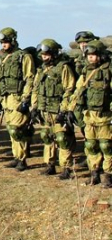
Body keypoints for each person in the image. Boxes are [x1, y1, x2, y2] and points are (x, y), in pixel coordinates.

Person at [31, 39, 76, 179]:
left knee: (62, 138)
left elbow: (69, 89)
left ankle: (66, 168)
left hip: (58, 110)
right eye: (42, 54)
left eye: (47, 54)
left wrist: (64, 110)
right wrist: (34, 107)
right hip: (44, 109)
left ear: (54, 53)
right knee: (46, 136)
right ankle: (49, 165)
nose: (44, 57)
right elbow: (36, 89)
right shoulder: (41, 70)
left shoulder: (63, 68)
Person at [0, 27, 36, 171]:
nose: (3, 45)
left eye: (5, 42)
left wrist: (25, 99)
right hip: (6, 99)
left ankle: (22, 159)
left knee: (17, 130)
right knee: (11, 130)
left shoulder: (23, 56)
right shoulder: (3, 59)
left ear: (12, 40)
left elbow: (30, 78)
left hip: (17, 98)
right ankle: (17, 156)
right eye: (1, 42)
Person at [70, 40, 112, 188]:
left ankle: (108, 175)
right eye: (89, 55)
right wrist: (70, 109)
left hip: (106, 115)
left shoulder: (109, 70)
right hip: (89, 114)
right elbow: (79, 90)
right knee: (91, 145)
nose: (90, 58)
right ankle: (94, 173)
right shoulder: (86, 71)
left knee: (106, 146)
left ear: (100, 55)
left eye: (93, 55)